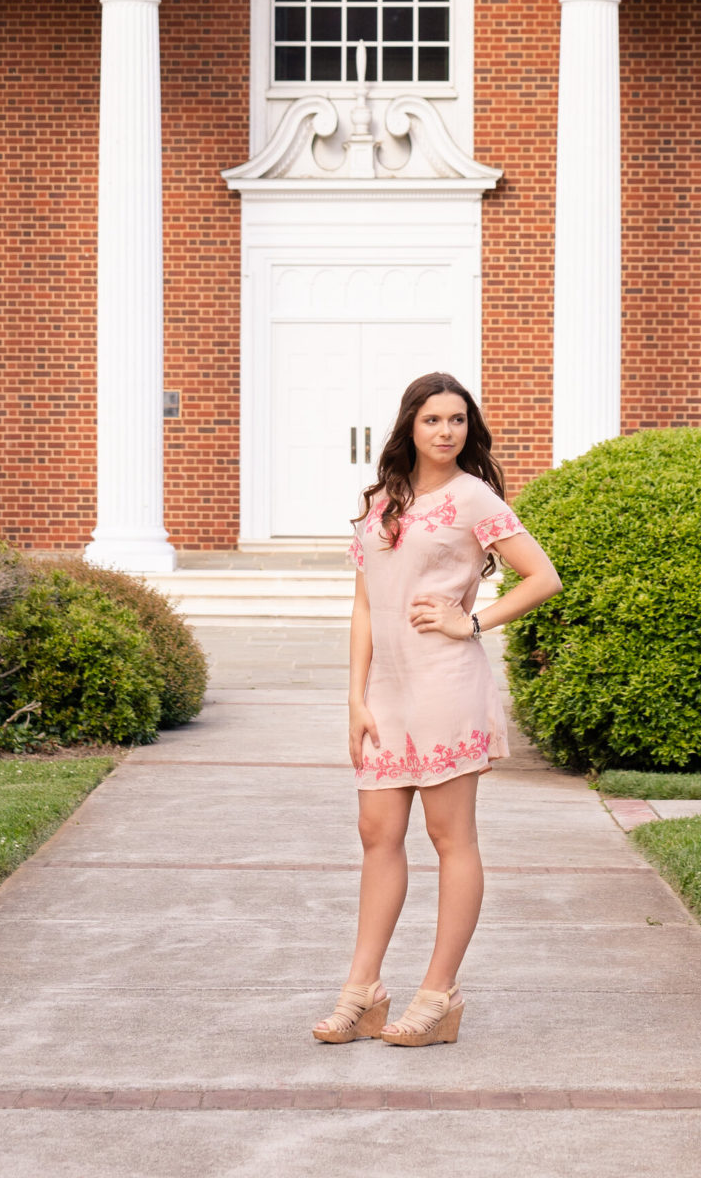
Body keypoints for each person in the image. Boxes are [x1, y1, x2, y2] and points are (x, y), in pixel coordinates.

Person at [311, 370, 562, 1049]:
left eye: (456, 420)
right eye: (432, 420)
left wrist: (471, 622)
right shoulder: (379, 500)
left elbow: (542, 577)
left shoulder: (473, 497)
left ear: (467, 430)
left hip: (446, 683)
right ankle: (362, 992)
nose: (445, 431)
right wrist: (356, 697)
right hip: (387, 693)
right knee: (376, 833)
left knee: (450, 838)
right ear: (410, 428)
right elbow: (365, 605)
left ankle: (437, 994)